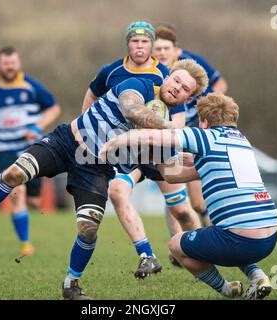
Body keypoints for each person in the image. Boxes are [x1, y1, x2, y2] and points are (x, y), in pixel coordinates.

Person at [0, 58, 208, 300]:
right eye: (177, 80)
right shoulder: (142, 84)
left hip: (96, 168)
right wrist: (169, 127)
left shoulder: (168, 134)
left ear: (187, 99)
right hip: (65, 143)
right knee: (15, 172)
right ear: (169, 75)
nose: (177, 88)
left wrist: (204, 164)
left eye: (185, 90)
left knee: (88, 229)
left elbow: (170, 170)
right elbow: (131, 109)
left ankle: (70, 284)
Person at [100, 93, 277, 299]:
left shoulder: (205, 136)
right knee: (226, 231)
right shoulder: (241, 142)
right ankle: (258, 276)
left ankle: (228, 289)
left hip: (240, 239)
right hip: (270, 236)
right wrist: (157, 158)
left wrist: (118, 140)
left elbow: (153, 136)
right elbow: (174, 176)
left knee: (176, 244)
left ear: (203, 121)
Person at [82, 21, 201, 279]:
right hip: (127, 152)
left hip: (158, 152)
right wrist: (87, 130)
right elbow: (91, 95)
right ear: (128, 43)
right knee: (117, 191)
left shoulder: (165, 77)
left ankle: (201, 251)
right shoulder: (111, 71)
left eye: (146, 41)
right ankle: (146, 255)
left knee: (181, 210)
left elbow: (178, 123)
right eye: (135, 41)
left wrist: (160, 135)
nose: (140, 45)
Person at [0, 46, 61, 256]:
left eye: (13, 63)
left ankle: (26, 216)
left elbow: (54, 108)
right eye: (5, 63)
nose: (10, 67)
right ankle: (26, 243)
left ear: (18, 64)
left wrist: (37, 127)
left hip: (31, 147)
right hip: (4, 148)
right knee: (16, 191)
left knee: (34, 201)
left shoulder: (32, 86)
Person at [153, 24, 229, 260]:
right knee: (173, 190)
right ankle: (179, 247)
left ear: (176, 50)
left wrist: (207, 108)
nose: (162, 53)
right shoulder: (151, 70)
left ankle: (213, 237)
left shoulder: (191, 65)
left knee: (196, 201)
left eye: (166, 48)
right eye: (158, 49)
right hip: (169, 136)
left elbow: (221, 84)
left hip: (193, 134)